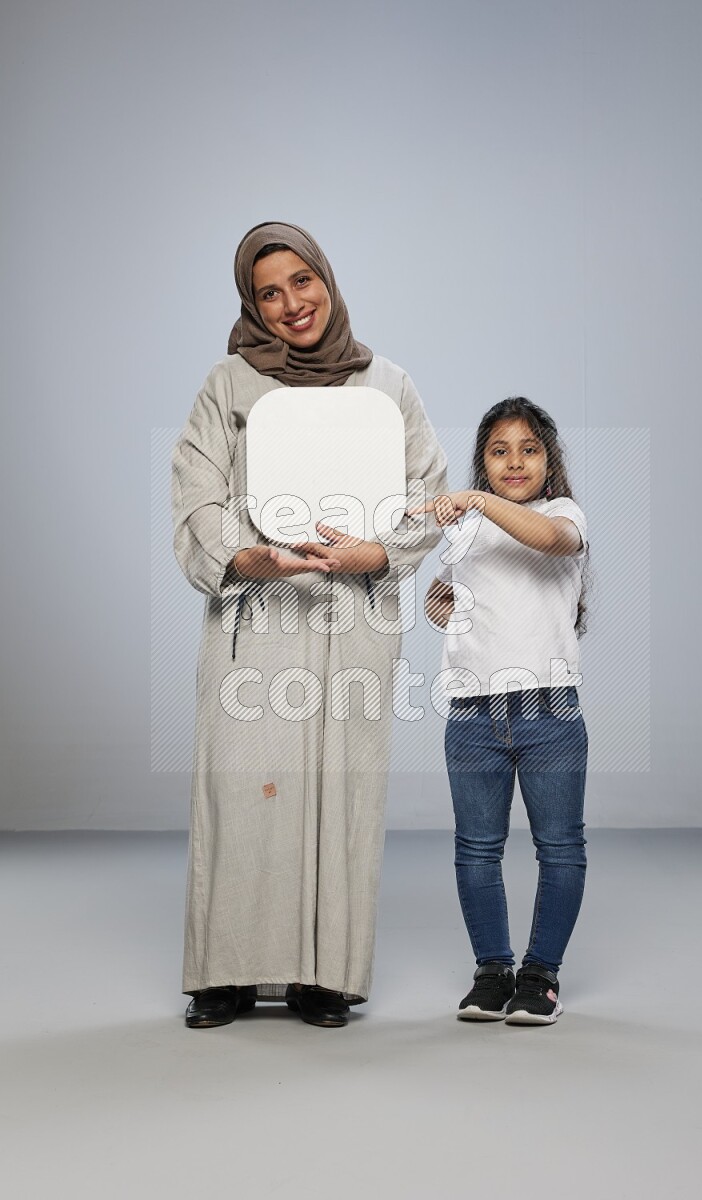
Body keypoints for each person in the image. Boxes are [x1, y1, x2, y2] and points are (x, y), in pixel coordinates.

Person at [171, 221, 448, 1029]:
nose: (292, 303)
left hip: (350, 616)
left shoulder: (387, 384)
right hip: (256, 617)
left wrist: (376, 551)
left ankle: (325, 974)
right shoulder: (229, 385)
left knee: (343, 790)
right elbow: (196, 492)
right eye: (269, 292)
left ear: (326, 278)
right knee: (240, 789)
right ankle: (224, 972)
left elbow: (426, 493)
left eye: (303, 281)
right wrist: (243, 558)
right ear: (251, 304)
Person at [420, 397, 588, 1025]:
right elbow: (454, 603)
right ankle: (493, 971)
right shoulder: (464, 533)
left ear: (549, 460)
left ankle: (540, 976)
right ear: (483, 461)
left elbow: (549, 541)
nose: (514, 461)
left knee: (560, 847)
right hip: (472, 712)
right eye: (499, 451)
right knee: (475, 849)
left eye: (529, 449)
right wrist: (447, 607)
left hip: (549, 711)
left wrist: (478, 501)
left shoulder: (561, 512)